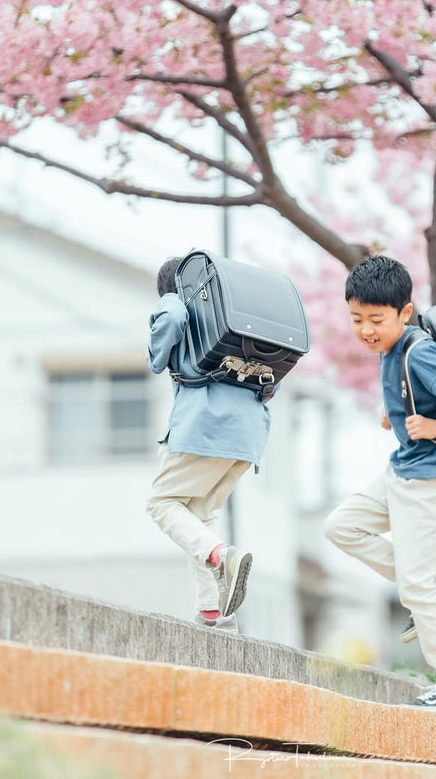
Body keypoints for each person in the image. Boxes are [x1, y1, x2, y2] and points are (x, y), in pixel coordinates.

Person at [325, 255, 436, 714]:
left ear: (405, 312)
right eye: (357, 319)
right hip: (404, 469)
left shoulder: (419, 351)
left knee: (413, 587)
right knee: (341, 527)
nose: (366, 329)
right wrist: (395, 415)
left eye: (376, 320)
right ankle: (433, 584)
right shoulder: (391, 350)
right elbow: (413, 395)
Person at [146, 255, 272, 632]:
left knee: (162, 503)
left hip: (205, 427)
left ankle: (222, 556)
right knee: (197, 518)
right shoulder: (233, 319)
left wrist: (158, 354)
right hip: (247, 437)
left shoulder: (178, 302)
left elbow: (168, 318)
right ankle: (214, 614)